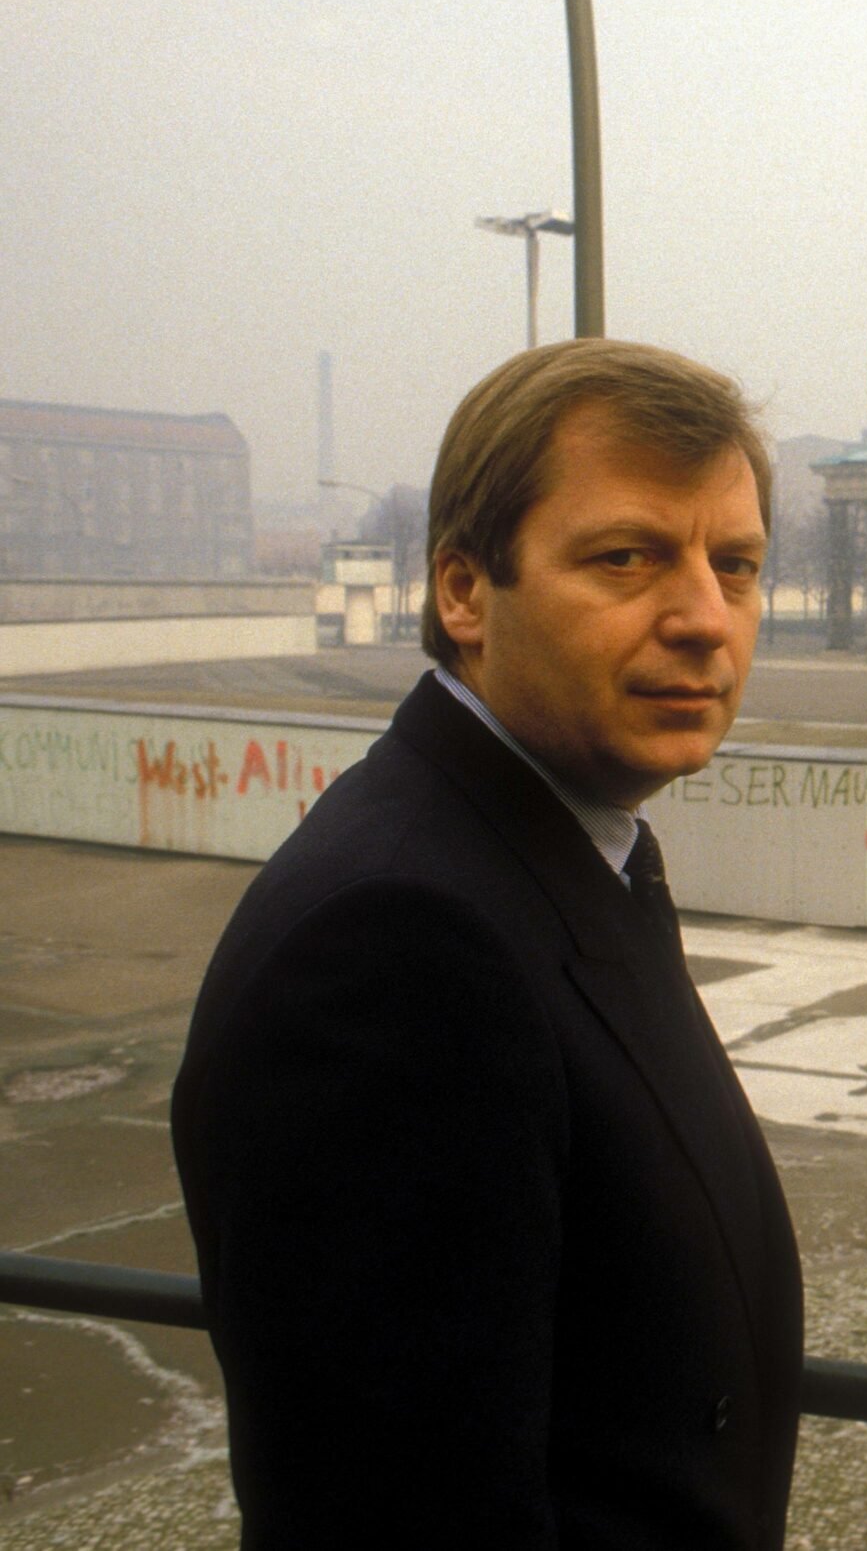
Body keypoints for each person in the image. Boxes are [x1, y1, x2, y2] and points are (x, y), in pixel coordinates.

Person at [172, 339, 801, 1549]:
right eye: (627, 560)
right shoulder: (400, 950)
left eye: (738, 565)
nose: (705, 621)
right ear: (465, 592)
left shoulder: (555, 850)